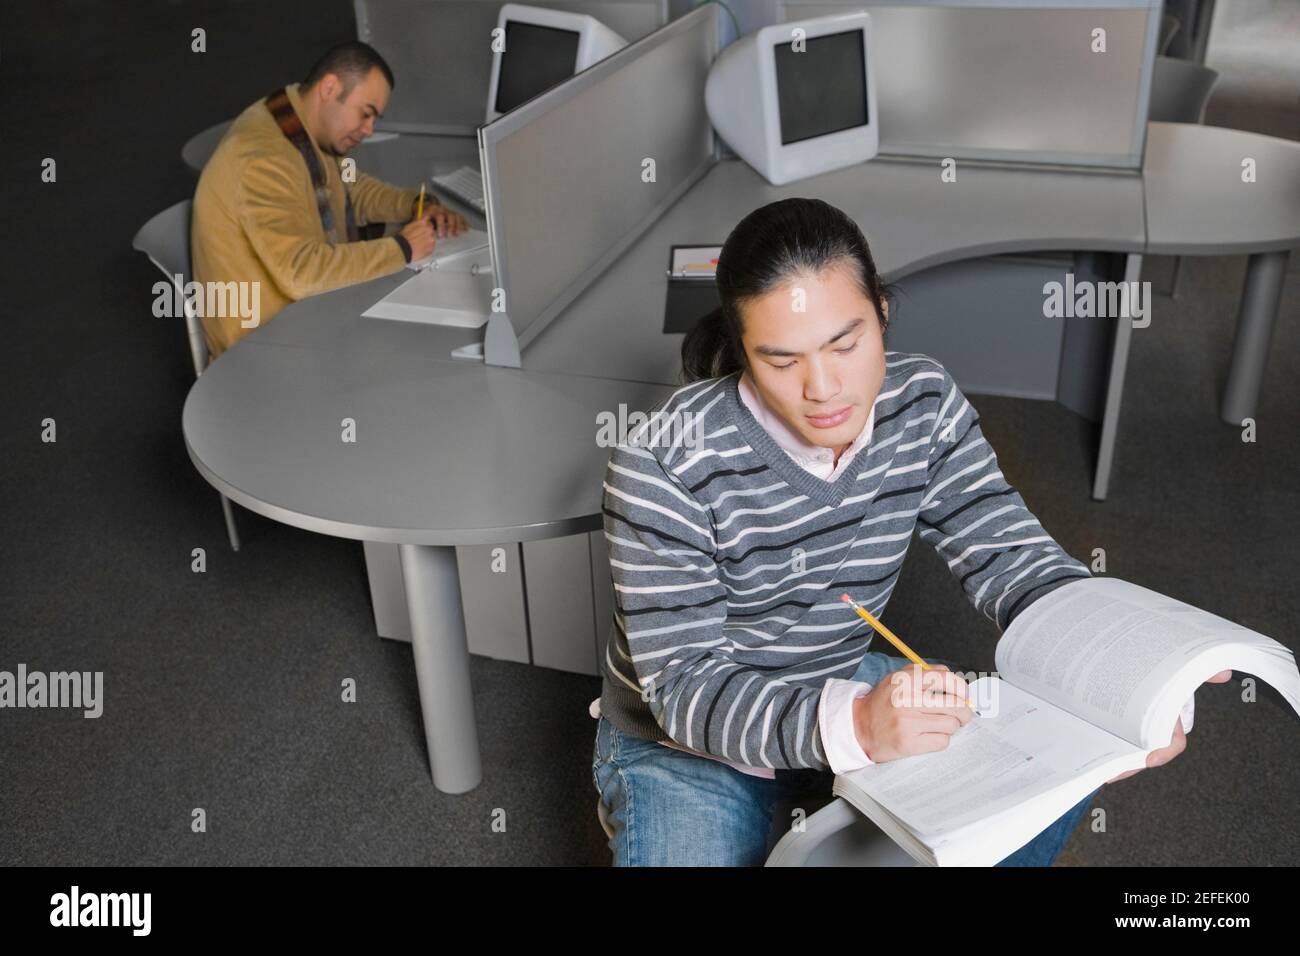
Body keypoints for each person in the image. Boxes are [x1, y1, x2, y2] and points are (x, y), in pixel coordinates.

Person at [589, 197, 1228, 866]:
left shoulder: (922, 401)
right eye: (783, 362)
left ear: (883, 313)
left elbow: (1009, 554)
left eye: (847, 342)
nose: (824, 388)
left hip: (835, 672)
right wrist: (858, 725)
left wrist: (1124, 671)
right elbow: (686, 689)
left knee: (1056, 766)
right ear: (743, 351)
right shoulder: (661, 459)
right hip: (683, 733)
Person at [191, 41, 469, 360]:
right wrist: (403, 248)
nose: (368, 130)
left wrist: (417, 204)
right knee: (421, 349)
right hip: (265, 354)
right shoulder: (264, 159)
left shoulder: (304, 124)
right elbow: (302, 274)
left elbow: (352, 187)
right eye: (366, 114)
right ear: (329, 87)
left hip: (307, 322)